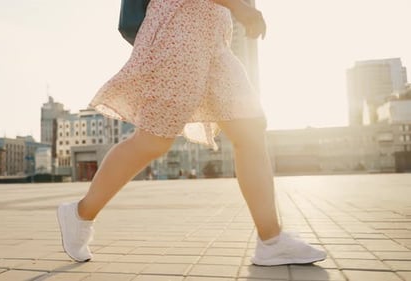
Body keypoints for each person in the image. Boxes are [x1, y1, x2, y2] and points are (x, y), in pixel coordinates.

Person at [57, 0, 327, 266]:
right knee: (153, 140)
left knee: (250, 127)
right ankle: (81, 214)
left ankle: (272, 241)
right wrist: (241, 7)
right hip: (178, 31)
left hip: (214, 39)